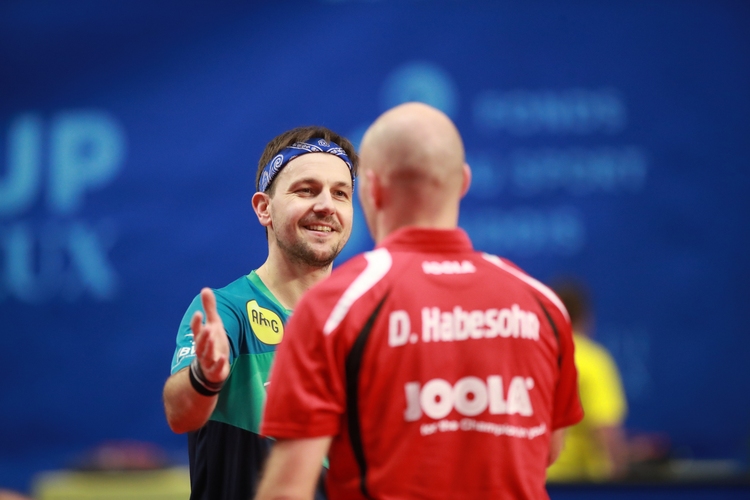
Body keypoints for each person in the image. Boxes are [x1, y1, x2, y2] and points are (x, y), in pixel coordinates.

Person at [255, 102, 584, 500]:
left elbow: (287, 489)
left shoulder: (334, 308)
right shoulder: (542, 304)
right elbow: (549, 448)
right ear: (463, 181)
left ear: (372, 188)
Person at [162, 126, 358, 500]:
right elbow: (180, 413)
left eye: (340, 193)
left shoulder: (366, 321)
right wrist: (207, 375)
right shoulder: (226, 310)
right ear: (263, 208)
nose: (326, 206)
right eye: (306, 190)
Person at [545, 279, 629, 482]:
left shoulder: (536, 355)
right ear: (585, 317)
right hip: (579, 485)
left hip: (534, 482)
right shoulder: (593, 361)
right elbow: (605, 429)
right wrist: (623, 477)